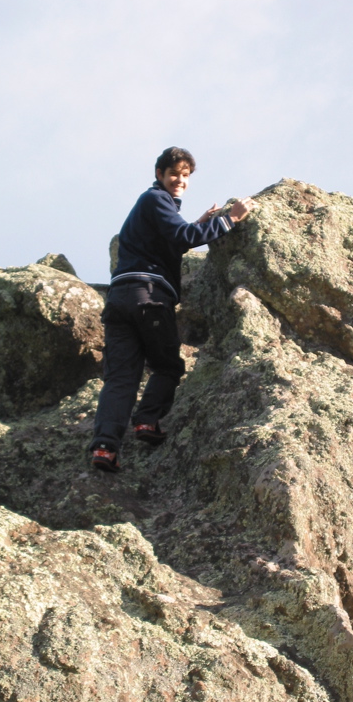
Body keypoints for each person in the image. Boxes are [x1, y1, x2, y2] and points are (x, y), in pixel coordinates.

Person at [90, 146, 255, 472]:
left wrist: (199, 221)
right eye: (174, 174)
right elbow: (184, 237)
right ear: (159, 175)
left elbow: (172, 240)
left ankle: (105, 448)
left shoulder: (151, 206)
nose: (180, 180)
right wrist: (232, 218)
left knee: (120, 379)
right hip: (147, 297)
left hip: (120, 300)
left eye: (185, 176)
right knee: (167, 366)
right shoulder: (156, 199)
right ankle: (146, 421)